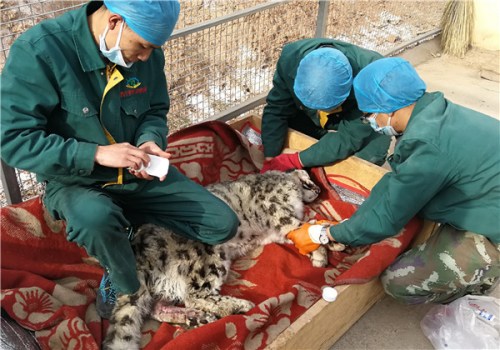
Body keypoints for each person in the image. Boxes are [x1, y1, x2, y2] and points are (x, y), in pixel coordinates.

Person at [0, 0, 239, 318]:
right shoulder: (40, 51)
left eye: (152, 49)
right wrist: (95, 153)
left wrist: (150, 141)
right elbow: (13, 140)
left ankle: (126, 229)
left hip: (136, 172)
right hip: (76, 180)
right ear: (115, 21)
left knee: (222, 225)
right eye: (141, 47)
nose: (145, 57)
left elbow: (154, 110)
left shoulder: (145, 49)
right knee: (95, 218)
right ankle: (122, 277)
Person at [288, 57, 500, 304]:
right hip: (487, 194)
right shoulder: (435, 113)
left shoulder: (427, 146)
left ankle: (481, 277)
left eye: (369, 114)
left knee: (397, 282)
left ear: (388, 109)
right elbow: (395, 183)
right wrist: (350, 223)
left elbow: (387, 217)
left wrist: (325, 234)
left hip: (493, 223)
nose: (369, 121)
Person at [260, 38, 392, 173]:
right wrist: (270, 156)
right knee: (281, 132)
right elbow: (277, 109)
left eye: (331, 107)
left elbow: (349, 138)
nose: (320, 111)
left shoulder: (374, 79)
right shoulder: (291, 59)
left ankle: (326, 149)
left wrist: (297, 160)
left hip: (358, 117)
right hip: (310, 113)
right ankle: (322, 142)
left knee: (367, 157)